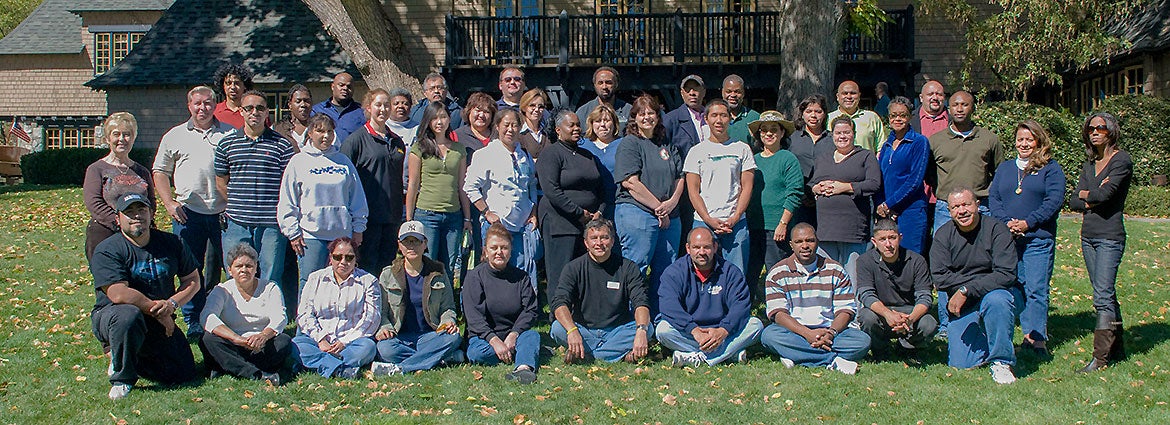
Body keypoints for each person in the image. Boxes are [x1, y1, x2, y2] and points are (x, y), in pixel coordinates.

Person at [89, 193, 200, 400]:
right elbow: (118, 293)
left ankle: (128, 355)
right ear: (118, 219)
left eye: (141, 210)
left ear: (150, 214)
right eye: (129, 212)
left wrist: (172, 304)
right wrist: (161, 313)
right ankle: (122, 378)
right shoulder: (107, 249)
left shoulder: (172, 242)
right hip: (114, 316)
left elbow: (193, 280)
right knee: (128, 316)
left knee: (183, 373)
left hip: (158, 315)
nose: (136, 216)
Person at [153, 85, 235, 338]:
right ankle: (193, 320)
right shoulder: (175, 135)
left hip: (224, 213)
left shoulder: (229, 133)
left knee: (232, 266)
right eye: (197, 103)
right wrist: (169, 203)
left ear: (215, 104)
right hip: (188, 214)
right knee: (190, 269)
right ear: (189, 106)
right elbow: (160, 171)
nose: (203, 108)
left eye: (208, 103)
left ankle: (232, 315)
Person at [928, 91, 1002, 334]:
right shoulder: (936, 140)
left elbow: (999, 173)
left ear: (973, 108)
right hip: (945, 208)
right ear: (948, 108)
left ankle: (982, 314)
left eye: (965, 104)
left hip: (980, 206)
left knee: (983, 262)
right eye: (955, 105)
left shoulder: (989, 139)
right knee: (944, 263)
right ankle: (946, 323)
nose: (959, 109)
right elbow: (930, 175)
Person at [989, 120, 1065, 355]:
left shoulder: (1051, 169)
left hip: (1037, 238)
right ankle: (1017, 333)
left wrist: (1028, 223)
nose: (1024, 144)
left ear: (1039, 142)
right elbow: (994, 199)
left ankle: (1036, 338)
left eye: (1029, 140)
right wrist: (1006, 222)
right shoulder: (1005, 168)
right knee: (1015, 287)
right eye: (1020, 139)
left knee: (1035, 288)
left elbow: (1053, 201)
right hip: (1009, 239)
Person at [277, 114, 368, 307]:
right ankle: (306, 323)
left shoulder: (343, 162)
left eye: (329, 131)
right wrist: (293, 232)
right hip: (311, 235)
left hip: (341, 234)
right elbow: (288, 200)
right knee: (310, 282)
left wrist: (358, 228)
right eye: (320, 131)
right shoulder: (299, 162)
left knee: (341, 281)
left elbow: (357, 198)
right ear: (310, 133)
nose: (326, 136)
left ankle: (337, 319)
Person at [931, 188, 1020, 384]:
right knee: (961, 363)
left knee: (997, 300)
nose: (961, 211)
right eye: (956, 207)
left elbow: (1006, 274)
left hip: (996, 294)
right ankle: (990, 342)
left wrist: (966, 290)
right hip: (965, 304)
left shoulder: (997, 230)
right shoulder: (943, 235)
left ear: (977, 205)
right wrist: (967, 291)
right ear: (949, 211)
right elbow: (940, 277)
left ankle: (1001, 361)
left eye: (966, 204)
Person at [759, 223, 870, 374]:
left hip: (831, 332)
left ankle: (795, 354)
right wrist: (807, 334)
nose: (805, 246)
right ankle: (833, 361)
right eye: (799, 242)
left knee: (861, 341)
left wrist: (831, 333)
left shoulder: (835, 270)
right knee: (770, 336)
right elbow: (778, 314)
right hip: (795, 332)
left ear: (817, 242)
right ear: (791, 245)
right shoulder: (777, 273)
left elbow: (845, 310)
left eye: (810, 240)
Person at [1069, 112, 1133, 372]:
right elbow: (1073, 200)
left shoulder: (1121, 160)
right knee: (1106, 293)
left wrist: (1089, 195)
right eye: (1090, 129)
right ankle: (1117, 349)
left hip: (1110, 236)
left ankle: (1100, 358)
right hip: (1089, 236)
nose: (1095, 132)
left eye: (1100, 128)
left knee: (1102, 296)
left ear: (1111, 131)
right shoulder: (1089, 164)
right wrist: (1089, 196)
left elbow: (1105, 194)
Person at [215, 90, 296, 285]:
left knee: (271, 277)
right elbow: (221, 182)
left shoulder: (282, 145)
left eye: (260, 108)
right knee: (236, 276)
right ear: (241, 111)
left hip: (271, 224)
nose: (254, 112)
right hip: (236, 223)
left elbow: (288, 186)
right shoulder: (226, 144)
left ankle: (268, 306)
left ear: (267, 111)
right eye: (249, 108)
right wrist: (240, 205)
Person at [614, 94, 684, 311]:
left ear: (658, 116)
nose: (647, 117)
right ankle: (629, 315)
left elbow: (680, 177)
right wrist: (659, 208)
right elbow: (630, 182)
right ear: (634, 118)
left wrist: (671, 203)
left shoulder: (666, 143)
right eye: (641, 113)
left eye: (651, 113)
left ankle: (660, 315)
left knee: (667, 268)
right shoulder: (630, 143)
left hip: (670, 214)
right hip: (638, 212)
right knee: (637, 266)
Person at [656, 227, 763, 367]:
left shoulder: (730, 272)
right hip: (690, 332)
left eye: (706, 247)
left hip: (722, 330)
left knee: (755, 325)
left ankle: (698, 357)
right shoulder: (674, 272)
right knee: (663, 330)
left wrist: (723, 330)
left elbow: (740, 306)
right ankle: (727, 353)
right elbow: (669, 306)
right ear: (688, 248)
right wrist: (694, 330)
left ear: (715, 247)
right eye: (696, 247)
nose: (701, 252)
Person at [550, 219, 652, 363]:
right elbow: (559, 302)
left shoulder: (628, 267)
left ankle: (589, 356)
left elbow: (640, 301)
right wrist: (572, 331)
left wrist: (641, 330)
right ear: (586, 243)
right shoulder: (573, 268)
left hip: (618, 330)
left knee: (647, 328)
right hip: (584, 330)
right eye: (594, 238)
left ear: (612, 241)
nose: (599, 243)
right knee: (557, 328)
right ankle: (616, 354)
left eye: (604, 237)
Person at [537, 110, 612, 307]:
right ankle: (558, 315)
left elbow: (601, 188)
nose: (577, 128)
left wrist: (599, 212)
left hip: (588, 224)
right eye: (571, 125)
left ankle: (581, 313)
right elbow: (551, 190)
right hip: (560, 222)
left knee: (584, 272)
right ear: (558, 130)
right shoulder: (550, 154)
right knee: (560, 273)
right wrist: (579, 212)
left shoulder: (587, 155)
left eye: (578, 124)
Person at [371, 221, 462, 375]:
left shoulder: (438, 272)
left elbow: (448, 307)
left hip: (430, 336)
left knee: (453, 337)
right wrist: (385, 328)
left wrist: (448, 322)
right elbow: (382, 312)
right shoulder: (388, 274)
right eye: (407, 241)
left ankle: (401, 368)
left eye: (416, 241)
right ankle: (439, 357)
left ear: (425, 244)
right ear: (399, 245)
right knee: (384, 349)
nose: (411, 246)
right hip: (400, 337)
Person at [464, 108, 539, 287]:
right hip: (496, 226)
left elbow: (532, 184)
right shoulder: (485, 154)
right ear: (497, 127)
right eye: (506, 125)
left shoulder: (524, 155)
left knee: (521, 274)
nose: (510, 129)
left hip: (522, 227)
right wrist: (486, 212)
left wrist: (533, 211)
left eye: (515, 125)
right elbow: (470, 186)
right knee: (494, 275)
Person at [200, 243, 292, 386]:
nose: (244, 270)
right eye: (239, 266)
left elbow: (279, 317)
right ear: (230, 270)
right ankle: (257, 374)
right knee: (208, 339)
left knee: (283, 341)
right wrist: (237, 339)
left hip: (260, 345)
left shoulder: (270, 288)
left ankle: (228, 366)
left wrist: (263, 336)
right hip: (232, 343)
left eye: (249, 266)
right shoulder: (221, 290)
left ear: (256, 268)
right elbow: (207, 317)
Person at [461, 223, 541, 384]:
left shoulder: (521, 277)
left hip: (514, 335)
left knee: (532, 336)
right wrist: (494, 340)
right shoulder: (474, 277)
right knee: (477, 353)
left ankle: (523, 368)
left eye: (504, 248)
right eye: (494, 248)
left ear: (511, 251)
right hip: (484, 339)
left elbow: (531, 310)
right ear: (485, 251)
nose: (499, 252)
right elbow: (473, 317)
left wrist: (514, 334)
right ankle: (523, 354)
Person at [683, 99, 756, 274]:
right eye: (714, 115)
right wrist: (708, 219)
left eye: (723, 115)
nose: (719, 120)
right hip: (704, 221)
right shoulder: (696, 151)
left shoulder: (742, 149)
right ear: (706, 119)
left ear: (730, 118)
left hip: (735, 223)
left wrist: (735, 217)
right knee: (702, 271)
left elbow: (747, 187)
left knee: (737, 272)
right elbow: (693, 191)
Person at [293, 237, 380, 378]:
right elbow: (304, 314)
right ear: (330, 257)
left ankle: (318, 364)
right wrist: (321, 340)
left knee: (368, 348)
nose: (343, 262)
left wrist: (345, 342)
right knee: (296, 344)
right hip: (318, 341)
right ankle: (340, 369)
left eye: (349, 257)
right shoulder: (315, 278)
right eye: (338, 257)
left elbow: (372, 318)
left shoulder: (368, 281)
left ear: (356, 259)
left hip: (352, 342)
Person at [341, 88, 407, 275]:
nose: (383, 109)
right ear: (368, 107)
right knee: (367, 267)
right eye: (378, 105)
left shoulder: (397, 142)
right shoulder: (355, 141)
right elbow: (345, 181)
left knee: (387, 269)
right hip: (367, 219)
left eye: (387, 105)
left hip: (392, 217)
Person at [405, 101, 472, 278]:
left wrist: (467, 218)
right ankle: (426, 296)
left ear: (449, 119)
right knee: (428, 262)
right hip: (427, 214)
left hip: (453, 216)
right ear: (428, 121)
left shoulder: (459, 149)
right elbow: (413, 184)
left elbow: (462, 186)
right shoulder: (419, 148)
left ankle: (446, 296)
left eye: (443, 117)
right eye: (434, 118)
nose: (439, 122)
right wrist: (409, 218)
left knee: (449, 265)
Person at [809, 116, 881, 280]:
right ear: (832, 135)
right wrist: (816, 188)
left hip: (852, 229)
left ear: (853, 134)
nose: (842, 136)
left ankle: (853, 299)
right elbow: (812, 182)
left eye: (846, 132)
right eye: (838, 133)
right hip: (826, 229)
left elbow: (874, 183)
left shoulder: (865, 156)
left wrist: (846, 187)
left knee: (853, 277)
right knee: (827, 276)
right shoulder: (823, 158)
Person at [855, 219, 937, 360]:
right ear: (874, 242)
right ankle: (880, 351)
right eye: (882, 239)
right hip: (881, 311)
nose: (888, 244)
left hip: (909, 311)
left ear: (900, 238)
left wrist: (910, 320)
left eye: (892, 238)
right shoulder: (864, 261)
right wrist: (888, 314)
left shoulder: (917, 260)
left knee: (929, 323)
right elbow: (866, 295)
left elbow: (925, 297)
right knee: (866, 317)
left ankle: (908, 348)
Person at [745, 110, 802, 301]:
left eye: (774, 129)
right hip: (753, 225)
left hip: (776, 227)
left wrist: (783, 223)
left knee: (777, 272)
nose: (769, 133)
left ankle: (780, 309)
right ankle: (748, 309)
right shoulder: (753, 160)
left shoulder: (788, 158)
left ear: (782, 133)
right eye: (764, 130)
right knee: (750, 272)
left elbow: (795, 193)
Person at [85, 112, 154, 260]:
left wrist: (142, 224)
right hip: (105, 233)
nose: (122, 139)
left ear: (133, 138)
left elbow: (151, 202)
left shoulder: (142, 171)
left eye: (127, 134)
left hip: (139, 234)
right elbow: (94, 203)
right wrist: (121, 223)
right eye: (116, 134)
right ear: (108, 138)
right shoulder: (96, 169)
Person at [875, 96, 930, 254]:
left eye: (902, 115)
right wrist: (882, 205)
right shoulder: (886, 144)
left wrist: (890, 204)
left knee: (911, 257)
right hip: (888, 213)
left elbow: (915, 181)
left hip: (911, 210)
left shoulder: (919, 142)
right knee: (889, 255)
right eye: (893, 115)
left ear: (910, 117)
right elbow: (880, 177)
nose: (897, 119)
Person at [786, 94, 833, 229]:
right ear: (802, 114)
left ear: (824, 114)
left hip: (826, 199)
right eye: (809, 111)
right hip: (799, 200)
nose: (813, 115)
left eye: (818, 111)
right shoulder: (792, 139)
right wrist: (802, 195)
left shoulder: (832, 139)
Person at [826, 80, 885, 152]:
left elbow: (881, 148)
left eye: (853, 93)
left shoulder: (872, 118)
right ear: (838, 97)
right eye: (845, 93)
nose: (849, 96)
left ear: (859, 96)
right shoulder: (828, 119)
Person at [575, 67, 631, 134]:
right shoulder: (583, 112)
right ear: (595, 85)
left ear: (616, 84)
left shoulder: (628, 111)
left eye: (608, 82)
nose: (604, 87)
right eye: (600, 83)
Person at [663, 74, 708, 158]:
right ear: (682, 93)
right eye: (687, 89)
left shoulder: (713, 117)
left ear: (704, 92)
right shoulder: (670, 120)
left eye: (696, 88)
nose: (692, 93)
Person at [313, 72, 365, 142]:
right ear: (332, 87)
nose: (345, 88)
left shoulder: (362, 112)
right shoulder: (317, 110)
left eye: (349, 86)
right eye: (341, 85)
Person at [579, 103, 623, 177]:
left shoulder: (623, 144)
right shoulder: (582, 145)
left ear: (614, 123)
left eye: (606, 120)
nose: (602, 124)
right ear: (592, 124)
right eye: (598, 121)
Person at [212, 63, 257, 129]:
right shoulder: (213, 111)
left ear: (245, 86)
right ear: (223, 86)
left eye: (237, 83)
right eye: (228, 83)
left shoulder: (255, 112)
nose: (232, 87)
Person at [272, 84, 316, 150]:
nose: (303, 105)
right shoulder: (277, 129)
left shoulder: (319, 127)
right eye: (298, 101)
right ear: (290, 105)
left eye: (307, 101)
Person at [722, 74, 760, 147]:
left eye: (737, 92)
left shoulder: (755, 118)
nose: (733, 95)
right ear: (722, 92)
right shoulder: (716, 117)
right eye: (728, 91)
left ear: (743, 93)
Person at [516, 88, 551, 159]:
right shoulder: (517, 132)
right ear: (524, 108)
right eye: (532, 105)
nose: (537, 109)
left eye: (541, 107)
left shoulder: (548, 132)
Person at [386, 88, 420, 155]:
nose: (400, 106)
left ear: (410, 106)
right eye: (396, 103)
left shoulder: (418, 129)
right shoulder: (382, 127)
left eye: (405, 104)